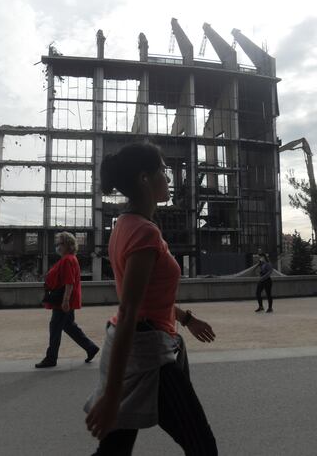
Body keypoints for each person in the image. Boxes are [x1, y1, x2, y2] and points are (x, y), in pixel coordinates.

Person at [84, 143, 218, 456]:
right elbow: (129, 309)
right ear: (145, 178)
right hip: (149, 355)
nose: (169, 178)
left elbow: (143, 299)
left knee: (115, 450)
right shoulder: (144, 233)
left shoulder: (125, 226)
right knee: (203, 447)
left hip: (140, 343)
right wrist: (113, 395)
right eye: (163, 171)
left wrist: (185, 318)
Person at [35, 231, 99, 368]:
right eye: (57, 243)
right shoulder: (69, 259)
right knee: (69, 326)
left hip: (62, 301)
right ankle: (90, 347)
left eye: (60, 243)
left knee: (55, 328)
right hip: (66, 299)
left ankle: (51, 358)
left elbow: (69, 282)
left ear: (68, 245)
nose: (57, 246)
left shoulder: (67, 260)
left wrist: (65, 301)